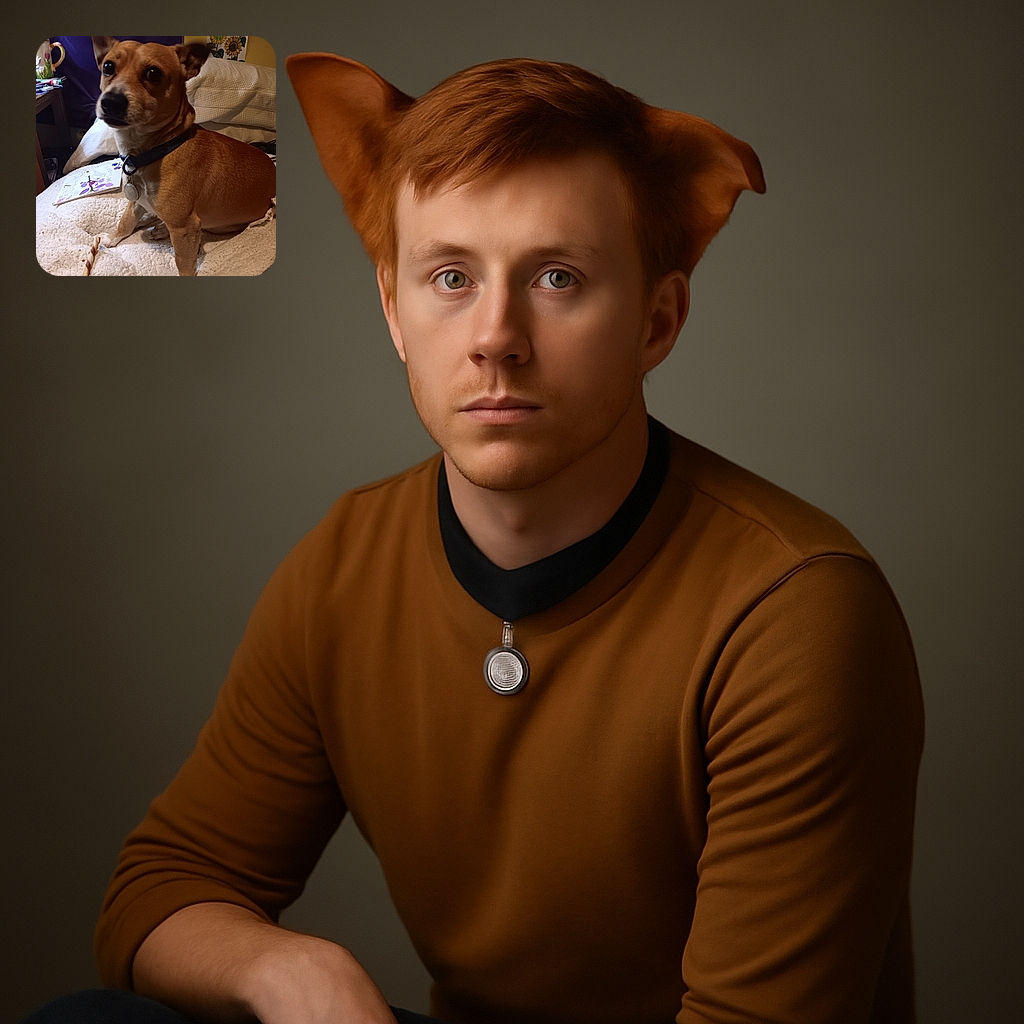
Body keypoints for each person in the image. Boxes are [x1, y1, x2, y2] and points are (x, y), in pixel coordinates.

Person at [29, 55, 924, 1024]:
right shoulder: (345, 564)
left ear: (657, 321)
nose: (496, 336)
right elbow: (162, 888)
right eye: (451, 277)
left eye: (557, 277)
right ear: (393, 310)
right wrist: (296, 976)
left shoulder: (796, 613)